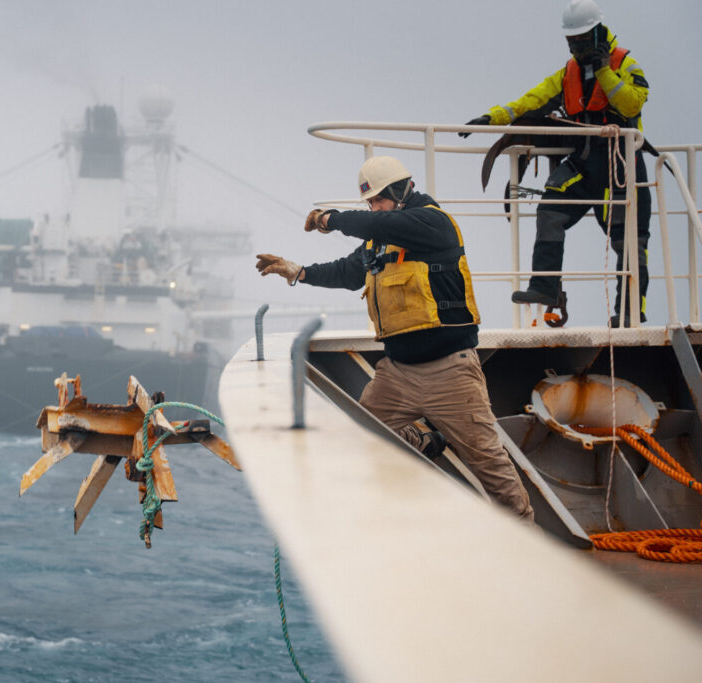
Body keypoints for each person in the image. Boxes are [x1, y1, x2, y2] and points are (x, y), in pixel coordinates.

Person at [255, 156, 534, 521]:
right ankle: (422, 441)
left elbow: (381, 223)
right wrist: (300, 272)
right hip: (397, 374)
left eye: (378, 200)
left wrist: (330, 219)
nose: (374, 208)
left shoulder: (432, 222)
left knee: (489, 463)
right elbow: (348, 271)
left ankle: (527, 534)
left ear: (401, 192)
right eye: (370, 203)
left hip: (450, 373)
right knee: (361, 437)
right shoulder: (379, 241)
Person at [460, 0, 651, 327]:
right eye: (571, 41)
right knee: (549, 211)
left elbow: (632, 102)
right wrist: (492, 117)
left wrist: (604, 70)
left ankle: (630, 313)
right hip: (586, 163)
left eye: (580, 40)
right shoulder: (568, 73)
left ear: (597, 34)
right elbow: (530, 101)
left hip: (623, 166)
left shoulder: (626, 64)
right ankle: (545, 287)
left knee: (629, 241)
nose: (575, 46)